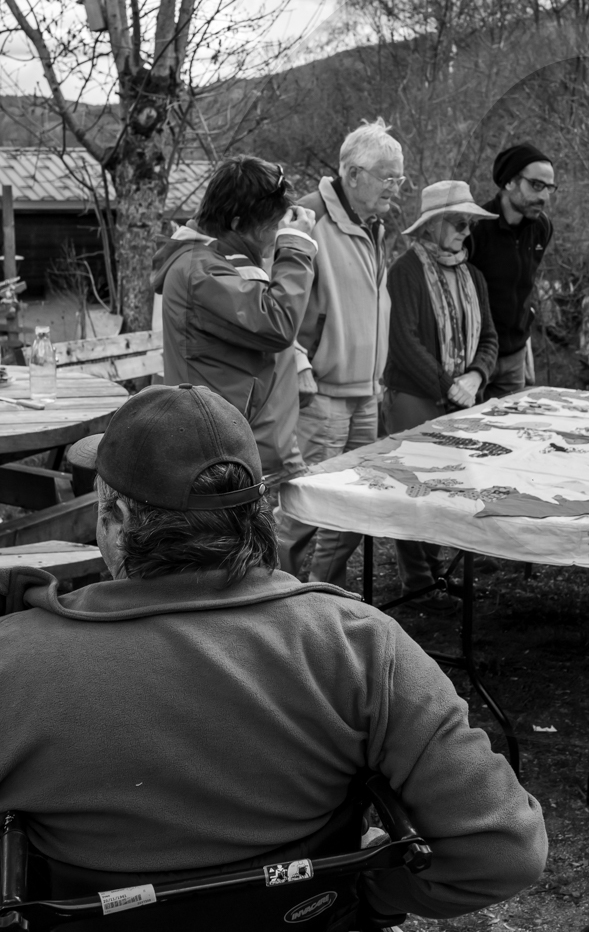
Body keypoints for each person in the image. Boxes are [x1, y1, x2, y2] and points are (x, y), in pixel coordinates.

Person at [0, 384, 546, 922]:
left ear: (117, 520)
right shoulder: (359, 645)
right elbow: (505, 852)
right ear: (259, 512)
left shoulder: (15, 662)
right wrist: (364, 894)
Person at [275, 119, 404, 586]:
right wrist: (297, 359)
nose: (396, 187)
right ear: (353, 175)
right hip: (321, 396)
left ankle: (323, 594)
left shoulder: (376, 225)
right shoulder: (306, 217)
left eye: (400, 178)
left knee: (353, 508)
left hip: (366, 394)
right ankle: (273, 603)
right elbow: (274, 296)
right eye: (388, 177)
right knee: (302, 510)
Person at [153, 155, 317, 479]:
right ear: (238, 224)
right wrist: (296, 247)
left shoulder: (224, 258)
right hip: (229, 461)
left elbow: (258, 319)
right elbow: (277, 324)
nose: (276, 236)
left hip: (255, 449)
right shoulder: (200, 272)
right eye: (273, 227)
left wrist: (298, 358)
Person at [383, 181, 500, 608]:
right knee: (415, 490)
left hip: (461, 398)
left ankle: (437, 576)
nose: (466, 231)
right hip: (413, 396)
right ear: (431, 226)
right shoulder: (405, 271)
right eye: (458, 222)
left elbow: (489, 337)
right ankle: (417, 582)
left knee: (452, 486)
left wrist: (475, 377)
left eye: (469, 224)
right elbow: (403, 341)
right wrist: (449, 385)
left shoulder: (474, 276)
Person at [468, 143, 554, 399]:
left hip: (515, 355)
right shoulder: (475, 229)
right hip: (473, 358)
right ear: (509, 182)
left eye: (549, 188)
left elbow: (525, 285)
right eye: (536, 185)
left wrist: (525, 334)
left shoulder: (542, 227)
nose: (545, 196)